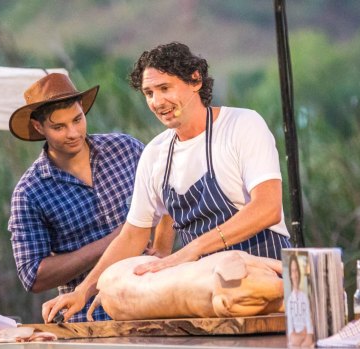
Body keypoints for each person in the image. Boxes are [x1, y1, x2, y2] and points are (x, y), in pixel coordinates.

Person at [42, 42, 291, 323]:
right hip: (208, 298)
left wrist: (191, 250)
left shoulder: (242, 125)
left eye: (165, 88)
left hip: (269, 286)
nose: (157, 101)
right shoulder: (155, 154)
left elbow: (268, 207)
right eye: (149, 93)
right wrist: (84, 291)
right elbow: (133, 235)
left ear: (195, 80)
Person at [7, 73, 145, 322]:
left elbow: (167, 205)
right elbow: (33, 276)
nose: (72, 132)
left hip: (151, 306)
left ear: (83, 110)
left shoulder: (128, 150)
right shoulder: (29, 192)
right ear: (39, 127)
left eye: (77, 120)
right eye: (59, 127)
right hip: (88, 319)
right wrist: (119, 240)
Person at [286, 254, 314, 347]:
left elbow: (308, 320)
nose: (295, 275)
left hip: (305, 336)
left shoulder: (304, 297)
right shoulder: (289, 300)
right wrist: (298, 336)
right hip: (295, 337)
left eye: (296, 270)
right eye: (293, 271)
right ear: (290, 274)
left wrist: (308, 335)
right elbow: (290, 325)